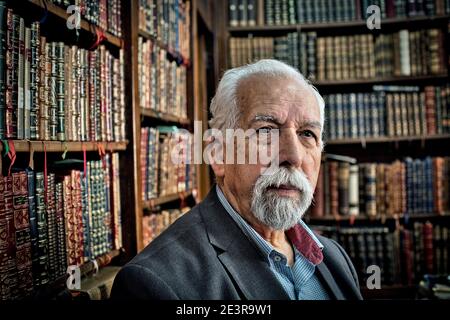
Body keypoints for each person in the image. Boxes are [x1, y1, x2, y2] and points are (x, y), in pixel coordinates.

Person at [110, 59, 363, 300]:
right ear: (218, 154)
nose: (293, 156)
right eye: (266, 130)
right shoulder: (155, 283)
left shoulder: (334, 257)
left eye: (308, 134)